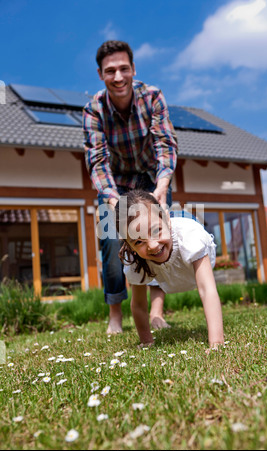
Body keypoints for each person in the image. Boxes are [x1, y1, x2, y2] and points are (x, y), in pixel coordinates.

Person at [82, 40, 178, 334]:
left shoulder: (152, 97)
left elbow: (165, 142)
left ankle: (156, 313)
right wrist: (113, 203)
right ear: (101, 74)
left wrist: (162, 186)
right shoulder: (93, 110)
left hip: (153, 179)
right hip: (116, 184)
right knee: (111, 244)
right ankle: (115, 315)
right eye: (111, 71)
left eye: (124, 68)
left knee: (156, 240)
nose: (119, 76)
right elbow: (97, 160)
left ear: (133, 69)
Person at [115, 189, 224, 349]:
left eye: (155, 231)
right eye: (138, 242)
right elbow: (138, 305)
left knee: (182, 225)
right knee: (151, 252)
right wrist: (146, 341)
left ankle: (161, 210)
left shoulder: (191, 236)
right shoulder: (134, 260)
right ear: (129, 245)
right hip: (166, 264)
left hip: (185, 231)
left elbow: (207, 290)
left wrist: (216, 343)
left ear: (167, 218)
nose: (152, 245)